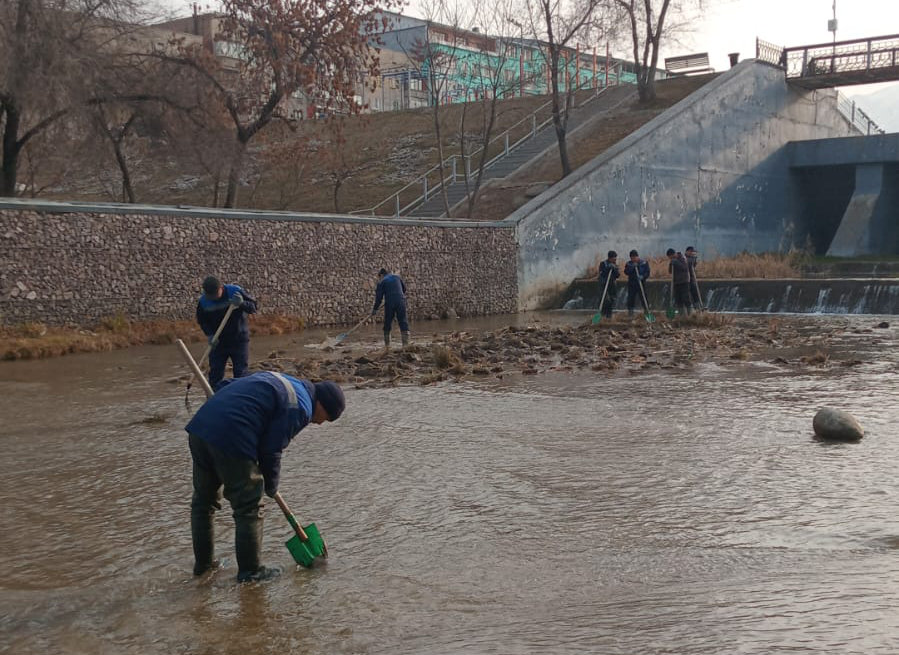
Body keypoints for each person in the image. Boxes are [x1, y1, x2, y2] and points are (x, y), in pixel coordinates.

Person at [186, 371, 346, 583]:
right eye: (326, 418)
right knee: (249, 507)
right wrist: (271, 485)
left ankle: (203, 568)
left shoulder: (285, 381)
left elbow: (226, 384)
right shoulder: (301, 408)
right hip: (232, 437)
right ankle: (251, 572)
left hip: (201, 427)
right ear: (322, 405)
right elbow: (271, 450)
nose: (320, 423)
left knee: (203, 503)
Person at [196, 276, 258, 388]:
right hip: (218, 342)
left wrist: (241, 303)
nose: (213, 298)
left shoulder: (234, 291)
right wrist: (209, 334)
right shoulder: (204, 302)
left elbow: (253, 307)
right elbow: (202, 321)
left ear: (221, 288)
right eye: (210, 295)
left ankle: (241, 395)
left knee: (240, 374)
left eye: (215, 294)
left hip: (239, 339)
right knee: (215, 374)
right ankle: (214, 396)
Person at [372, 267, 409, 348]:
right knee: (403, 321)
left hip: (390, 303)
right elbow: (404, 289)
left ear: (381, 275)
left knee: (388, 322)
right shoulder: (397, 277)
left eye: (379, 277)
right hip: (401, 301)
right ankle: (406, 345)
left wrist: (375, 309)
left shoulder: (381, 282)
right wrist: (397, 296)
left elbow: (379, 298)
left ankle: (387, 346)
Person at [623, 249, 651, 316]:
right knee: (631, 298)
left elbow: (647, 272)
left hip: (641, 283)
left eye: (634, 257)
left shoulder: (644, 263)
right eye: (632, 258)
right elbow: (626, 272)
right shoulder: (629, 264)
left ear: (637, 256)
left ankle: (647, 311)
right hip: (632, 284)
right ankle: (630, 312)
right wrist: (632, 267)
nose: (633, 259)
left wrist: (643, 276)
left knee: (643, 297)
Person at [666, 248, 692, 316]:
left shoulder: (682, 258)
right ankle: (681, 315)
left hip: (684, 281)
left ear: (673, 254)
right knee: (678, 300)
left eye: (670, 257)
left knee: (686, 298)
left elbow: (684, 268)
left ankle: (690, 315)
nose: (670, 258)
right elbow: (670, 271)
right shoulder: (672, 261)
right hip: (676, 283)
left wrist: (676, 262)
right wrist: (671, 264)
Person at [597, 251, 620, 319]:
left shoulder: (615, 265)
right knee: (606, 300)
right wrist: (607, 268)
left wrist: (615, 269)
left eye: (616, 258)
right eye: (614, 258)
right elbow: (601, 273)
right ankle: (602, 314)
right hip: (603, 284)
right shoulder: (603, 264)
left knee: (612, 300)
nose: (615, 259)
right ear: (610, 258)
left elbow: (617, 275)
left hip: (612, 285)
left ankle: (609, 316)